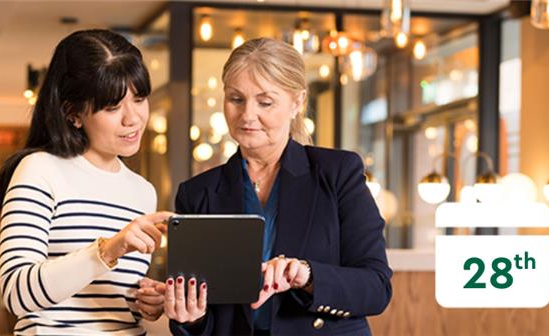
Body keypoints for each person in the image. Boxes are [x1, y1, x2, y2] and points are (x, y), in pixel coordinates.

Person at [165, 37, 392, 335]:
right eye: (236, 99)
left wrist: (307, 276)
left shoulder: (338, 173)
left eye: (265, 102)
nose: (247, 115)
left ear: (297, 102)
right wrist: (190, 316)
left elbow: (375, 287)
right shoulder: (196, 193)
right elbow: (205, 314)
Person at [0, 29, 172, 335]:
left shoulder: (143, 191)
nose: (133, 118)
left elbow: (113, 305)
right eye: (112, 107)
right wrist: (107, 250)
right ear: (73, 113)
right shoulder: (39, 171)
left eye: (140, 99)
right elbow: (16, 294)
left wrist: (146, 300)